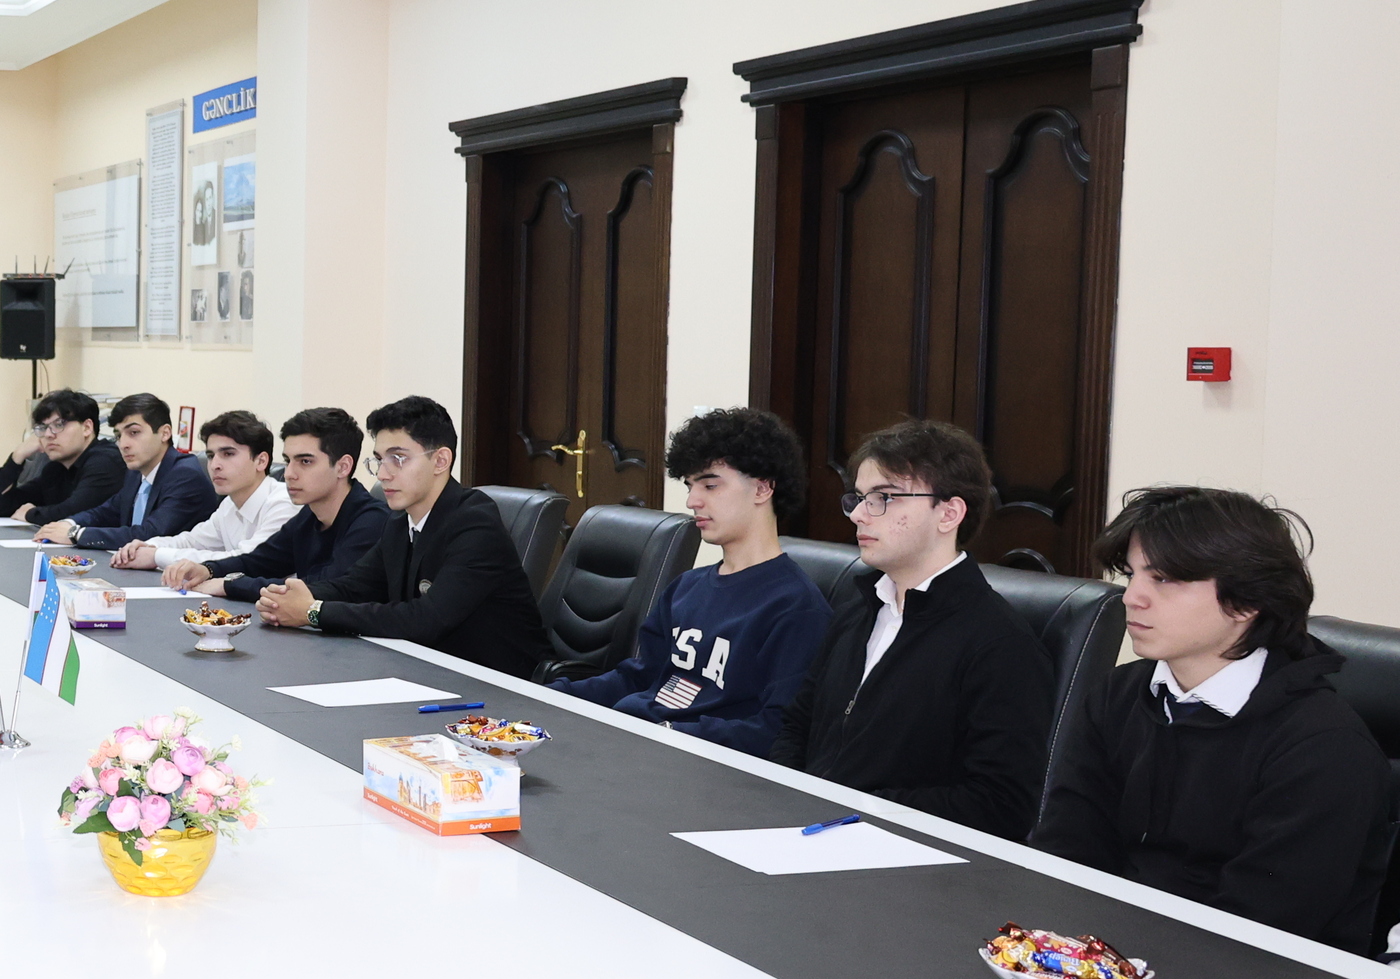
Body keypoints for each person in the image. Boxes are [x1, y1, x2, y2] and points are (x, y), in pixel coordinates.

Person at [1031, 487, 1393, 951]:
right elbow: (1067, 854)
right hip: (1107, 955)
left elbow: (1262, 930)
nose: (1132, 597)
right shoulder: (1118, 695)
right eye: (1132, 574)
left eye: (1164, 579)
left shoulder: (1324, 747)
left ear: (1245, 602)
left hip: (1256, 977)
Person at [770, 419, 1053, 840]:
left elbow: (1001, 804)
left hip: (900, 852)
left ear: (949, 514)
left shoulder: (1000, 643)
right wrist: (785, 797)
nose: (859, 514)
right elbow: (798, 725)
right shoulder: (857, 610)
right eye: (859, 498)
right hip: (810, 828)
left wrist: (858, 810)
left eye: (883, 498)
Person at [557, 408, 833, 755]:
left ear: (763, 488)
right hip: (637, 742)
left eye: (710, 485)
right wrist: (546, 697)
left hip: (696, 764)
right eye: (690, 486)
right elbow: (638, 678)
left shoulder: (797, 609)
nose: (692, 501)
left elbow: (775, 731)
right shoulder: (686, 587)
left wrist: (665, 734)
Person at [260, 396, 547, 673]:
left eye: (398, 459)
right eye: (379, 459)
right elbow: (354, 587)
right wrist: (284, 598)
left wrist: (313, 611)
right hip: (430, 669)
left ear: (440, 461)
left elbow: (426, 619)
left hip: (506, 684)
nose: (382, 474)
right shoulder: (400, 521)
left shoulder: (475, 523)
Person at [166, 406, 390, 603]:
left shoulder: (372, 520)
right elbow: (261, 561)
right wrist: (208, 569)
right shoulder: (309, 516)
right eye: (288, 460)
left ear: (343, 467)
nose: (289, 473)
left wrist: (230, 585)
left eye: (305, 461)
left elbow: (325, 587)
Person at [113, 409, 290, 573]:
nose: (214, 465)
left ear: (261, 461)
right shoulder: (229, 504)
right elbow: (191, 541)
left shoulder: (284, 503)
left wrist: (157, 556)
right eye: (211, 456)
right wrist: (149, 546)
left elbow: (247, 560)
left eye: (228, 454)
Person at [39, 392, 217, 547]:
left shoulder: (185, 475)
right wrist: (68, 523)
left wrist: (76, 534)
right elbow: (106, 512)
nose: (123, 444)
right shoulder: (135, 472)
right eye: (119, 435)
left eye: (134, 433)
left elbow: (148, 534)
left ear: (165, 433)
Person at [0, 389, 124, 525]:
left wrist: (30, 514)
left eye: (59, 425)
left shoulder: (106, 461)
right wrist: (18, 455)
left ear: (87, 428)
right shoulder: (56, 468)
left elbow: (74, 514)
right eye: (43, 428)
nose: (48, 434)